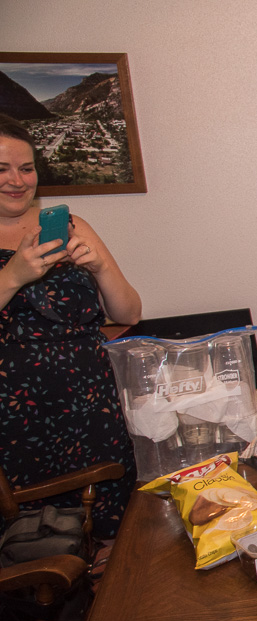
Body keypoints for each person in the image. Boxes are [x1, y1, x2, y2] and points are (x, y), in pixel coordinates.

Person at [0, 113, 140, 540]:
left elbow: (130, 312)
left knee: (115, 531)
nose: (17, 181)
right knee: (36, 537)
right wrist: (13, 276)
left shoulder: (72, 226)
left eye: (26, 168)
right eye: (2, 169)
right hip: (17, 419)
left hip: (91, 403)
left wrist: (100, 268)